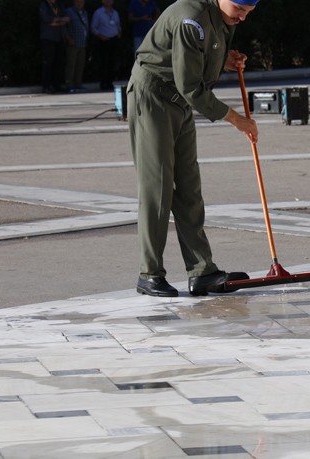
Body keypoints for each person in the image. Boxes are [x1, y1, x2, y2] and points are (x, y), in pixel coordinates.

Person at [127, 0, 260, 297]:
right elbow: (189, 85)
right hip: (155, 97)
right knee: (158, 186)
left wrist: (225, 59)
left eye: (249, 12)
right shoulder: (192, 19)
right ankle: (149, 273)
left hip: (182, 103)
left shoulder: (223, 19)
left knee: (189, 186)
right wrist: (236, 119)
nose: (242, 17)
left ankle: (202, 271)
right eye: (239, 8)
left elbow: (196, 61)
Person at [39, 0, 71, 94]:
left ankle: (56, 85)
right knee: (48, 62)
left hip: (59, 37)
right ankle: (46, 86)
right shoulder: (44, 4)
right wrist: (60, 20)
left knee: (59, 62)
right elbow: (47, 20)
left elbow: (66, 19)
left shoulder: (59, 4)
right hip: (48, 38)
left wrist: (56, 21)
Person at [91, 0, 122, 90]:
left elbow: (118, 25)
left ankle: (110, 82)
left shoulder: (115, 12)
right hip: (104, 41)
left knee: (112, 63)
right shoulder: (98, 12)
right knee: (104, 62)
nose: (108, 1)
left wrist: (119, 32)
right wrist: (100, 36)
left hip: (114, 40)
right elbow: (93, 27)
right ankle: (103, 83)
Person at [65, 0, 90, 92]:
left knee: (80, 65)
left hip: (82, 43)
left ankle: (78, 84)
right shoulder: (69, 11)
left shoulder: (85, 13)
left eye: (81, 2)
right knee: (71, 64)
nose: (79, 3)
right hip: (73, 42)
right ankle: (69, 84)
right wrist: (68, 38)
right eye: (77, 1)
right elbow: (64, 27)